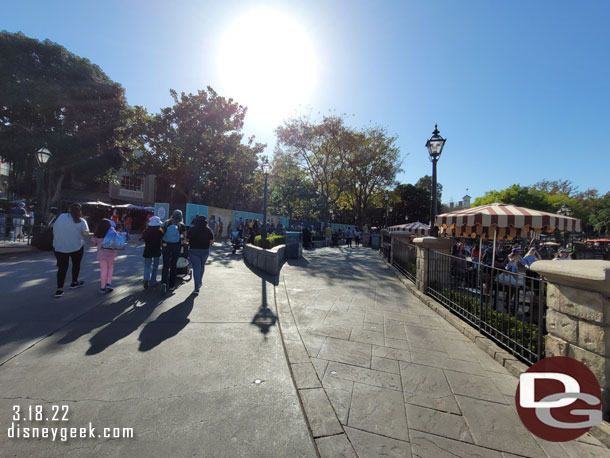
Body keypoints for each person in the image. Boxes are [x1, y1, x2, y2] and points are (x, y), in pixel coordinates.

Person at [52, 203, 89, 297]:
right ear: (79, 211)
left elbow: (54, 226)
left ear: (69, 209)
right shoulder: (81, 221)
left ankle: (59, 289)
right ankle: (74, 282)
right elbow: (86, 234)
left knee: (62, 268)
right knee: (76, 265)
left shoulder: (61, 216)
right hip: (76, 246)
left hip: (59, 246)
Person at [160, 210, 187, 295]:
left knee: (165, 265)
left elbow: (161, 233)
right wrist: (185, 241)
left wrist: (162, 243)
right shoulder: (181, 225)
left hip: (166, 245)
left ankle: (164, 282)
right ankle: (171, 285)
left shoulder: (166, 223)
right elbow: (185, 236)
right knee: (173, 265)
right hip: (176, 246)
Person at [187, 216, 214, 295]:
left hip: (194, 251)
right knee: (202, 266)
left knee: (196, 268)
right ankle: (199, 281)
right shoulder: (208, 230)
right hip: (205, 251)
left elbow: (187, 240)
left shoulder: (192, 229)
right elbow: (211, 242)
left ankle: (196, 287)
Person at [91, 219, 119, 294]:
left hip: (101, 254)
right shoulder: (113, 232)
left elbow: (94, 243)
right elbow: (117, 242)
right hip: (111, 254)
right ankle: (108, 284)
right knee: (110, 268)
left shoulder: (97, 233)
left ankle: (102, 287)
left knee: (103, 270)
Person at [142, 216, 164, 289]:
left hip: (147, 249)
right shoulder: (160, 232)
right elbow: (161, 242)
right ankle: (153, 281)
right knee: (155, 266)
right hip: (156, 250)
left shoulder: (146, 231)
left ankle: (146, 278)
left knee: (147, 266)